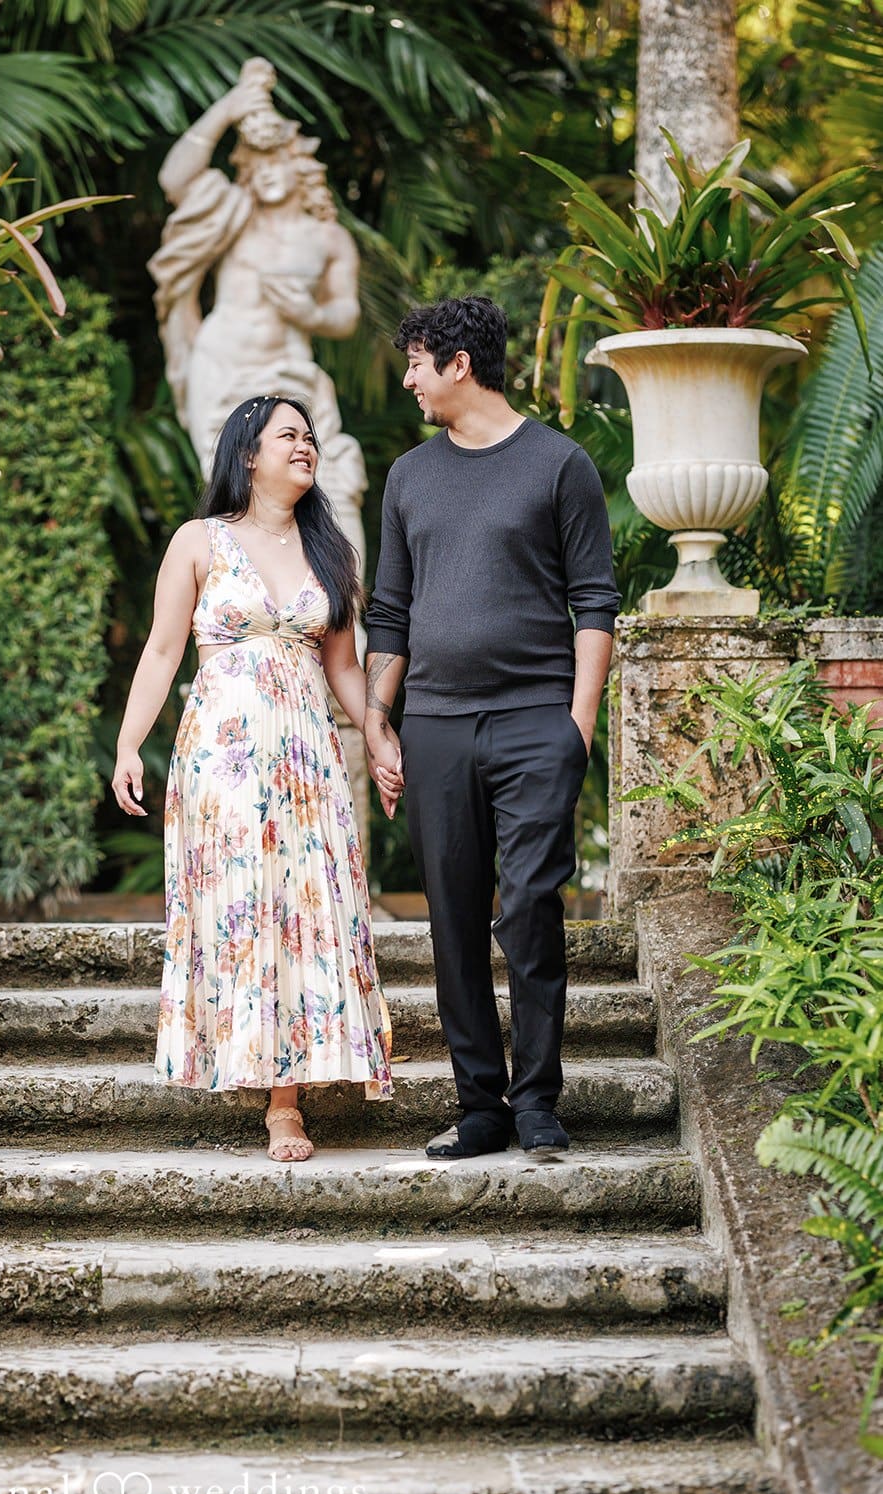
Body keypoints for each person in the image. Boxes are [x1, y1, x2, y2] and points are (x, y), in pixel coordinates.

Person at [364, 296, 621, 1161]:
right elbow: (390, 613)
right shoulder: (408, 476)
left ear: (459, 365)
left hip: (532, 724)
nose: (407, 378)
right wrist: (377, 722)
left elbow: (593, 602)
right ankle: (480, 1105)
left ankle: (537, 1099)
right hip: (434, 726)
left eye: (415, 362)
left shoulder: (560, 465)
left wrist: (575, 728)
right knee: (452, 920)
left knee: (529, 912)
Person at [113, 396, 399, 1162]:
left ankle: (286, 1103)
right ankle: (243, 1063)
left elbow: (343, 665)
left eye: (309, 437)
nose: (305, 446)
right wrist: (130, 744)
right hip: (224, 759)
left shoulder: (330, 552)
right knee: (243, 907)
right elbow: (161, 651)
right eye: (289, 436)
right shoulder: (199, 541)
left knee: (302, 908)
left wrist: (377, 736)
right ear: (248, 454)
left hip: (307, 758)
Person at [148, 56, 368, 580]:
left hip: (290, 368)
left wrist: (309, 311)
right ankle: (247, 611)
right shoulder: (232, 213)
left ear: (300, 167)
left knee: (332, 479)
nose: (268, 173)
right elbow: (175, 176)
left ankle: (341, 615)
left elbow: (346, 314)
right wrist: (229, 108)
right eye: (257, 164)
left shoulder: (327, 238)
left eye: (278, 163)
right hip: (222, 365)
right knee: (232, 496)